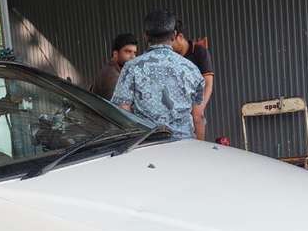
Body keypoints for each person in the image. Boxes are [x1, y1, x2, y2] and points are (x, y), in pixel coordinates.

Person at [112, 9, 205, 139]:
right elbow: (198, 116)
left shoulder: (131, 68)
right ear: (174, 35)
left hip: (148, 145)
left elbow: (122, 110)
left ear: (145, 36)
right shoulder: (190, 69)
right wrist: (200, 145)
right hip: (184, 145)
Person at [172, 21, 215, 127]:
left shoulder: (199, 51)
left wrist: (199, 109)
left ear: (180, 37)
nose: (169, 46)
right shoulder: (170, 56)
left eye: (171, 41)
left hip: (195, 106)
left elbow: (208, 83)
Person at [91, 33, 138, 100]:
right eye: (128, 52)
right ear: (115, 54)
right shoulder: (111, 75)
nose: (133, 57)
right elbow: (118, 107)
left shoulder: (118, 70)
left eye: (134, 53)